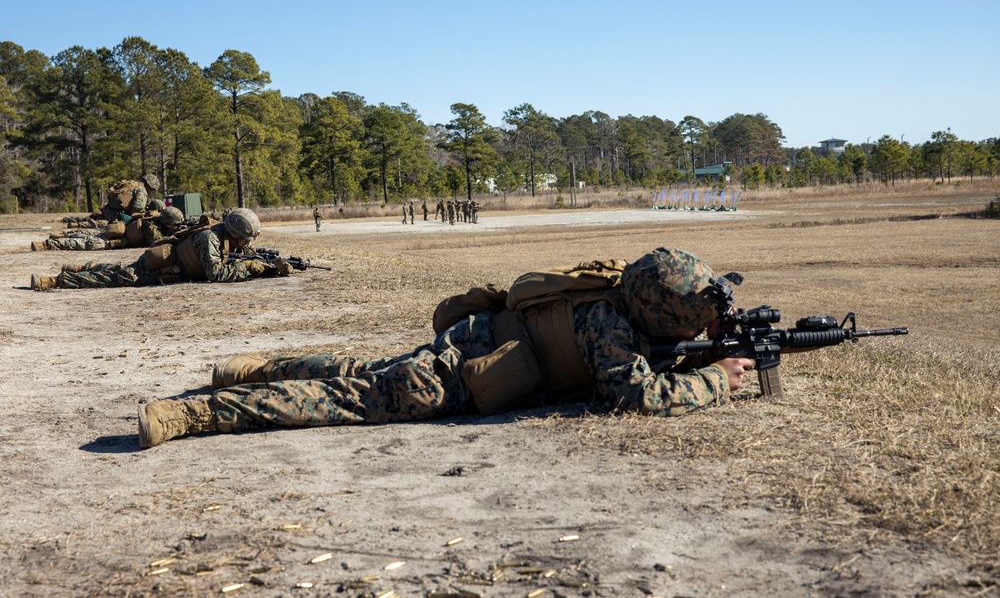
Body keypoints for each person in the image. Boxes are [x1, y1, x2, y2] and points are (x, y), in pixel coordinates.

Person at [135, 247, 752, 448]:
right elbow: (636, 398)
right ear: (661, 310)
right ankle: (193, 414)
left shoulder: (617, 297)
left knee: (363, 370)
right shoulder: (608, 327)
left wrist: (702, 353)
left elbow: (648, 362)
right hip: (459, 373)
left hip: (473, 339)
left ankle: (256, 367)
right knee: (350, 398)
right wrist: (718, 377)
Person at [29, 208, 294, 291]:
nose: (248, 245)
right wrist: (249, 269)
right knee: (112, 278)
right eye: (246, 239)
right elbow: (216, 274)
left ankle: (77, 267)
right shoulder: (211, 239)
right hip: (161, 271)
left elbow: (242, 257)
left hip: (166, 266)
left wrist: (270, 266)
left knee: (117, 270)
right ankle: (54, 281)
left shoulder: (223, 235)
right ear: (237, 234)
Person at [33, 206, 186, 252]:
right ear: (166, 221)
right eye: (174, 224)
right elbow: (156, 241)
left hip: (118, 232)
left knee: (85, 235)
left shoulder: (155, 221)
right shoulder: (150, 225)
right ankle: (48, 244)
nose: (176, 227)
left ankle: (59, 236)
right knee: (85, 243)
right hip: (115, 239)